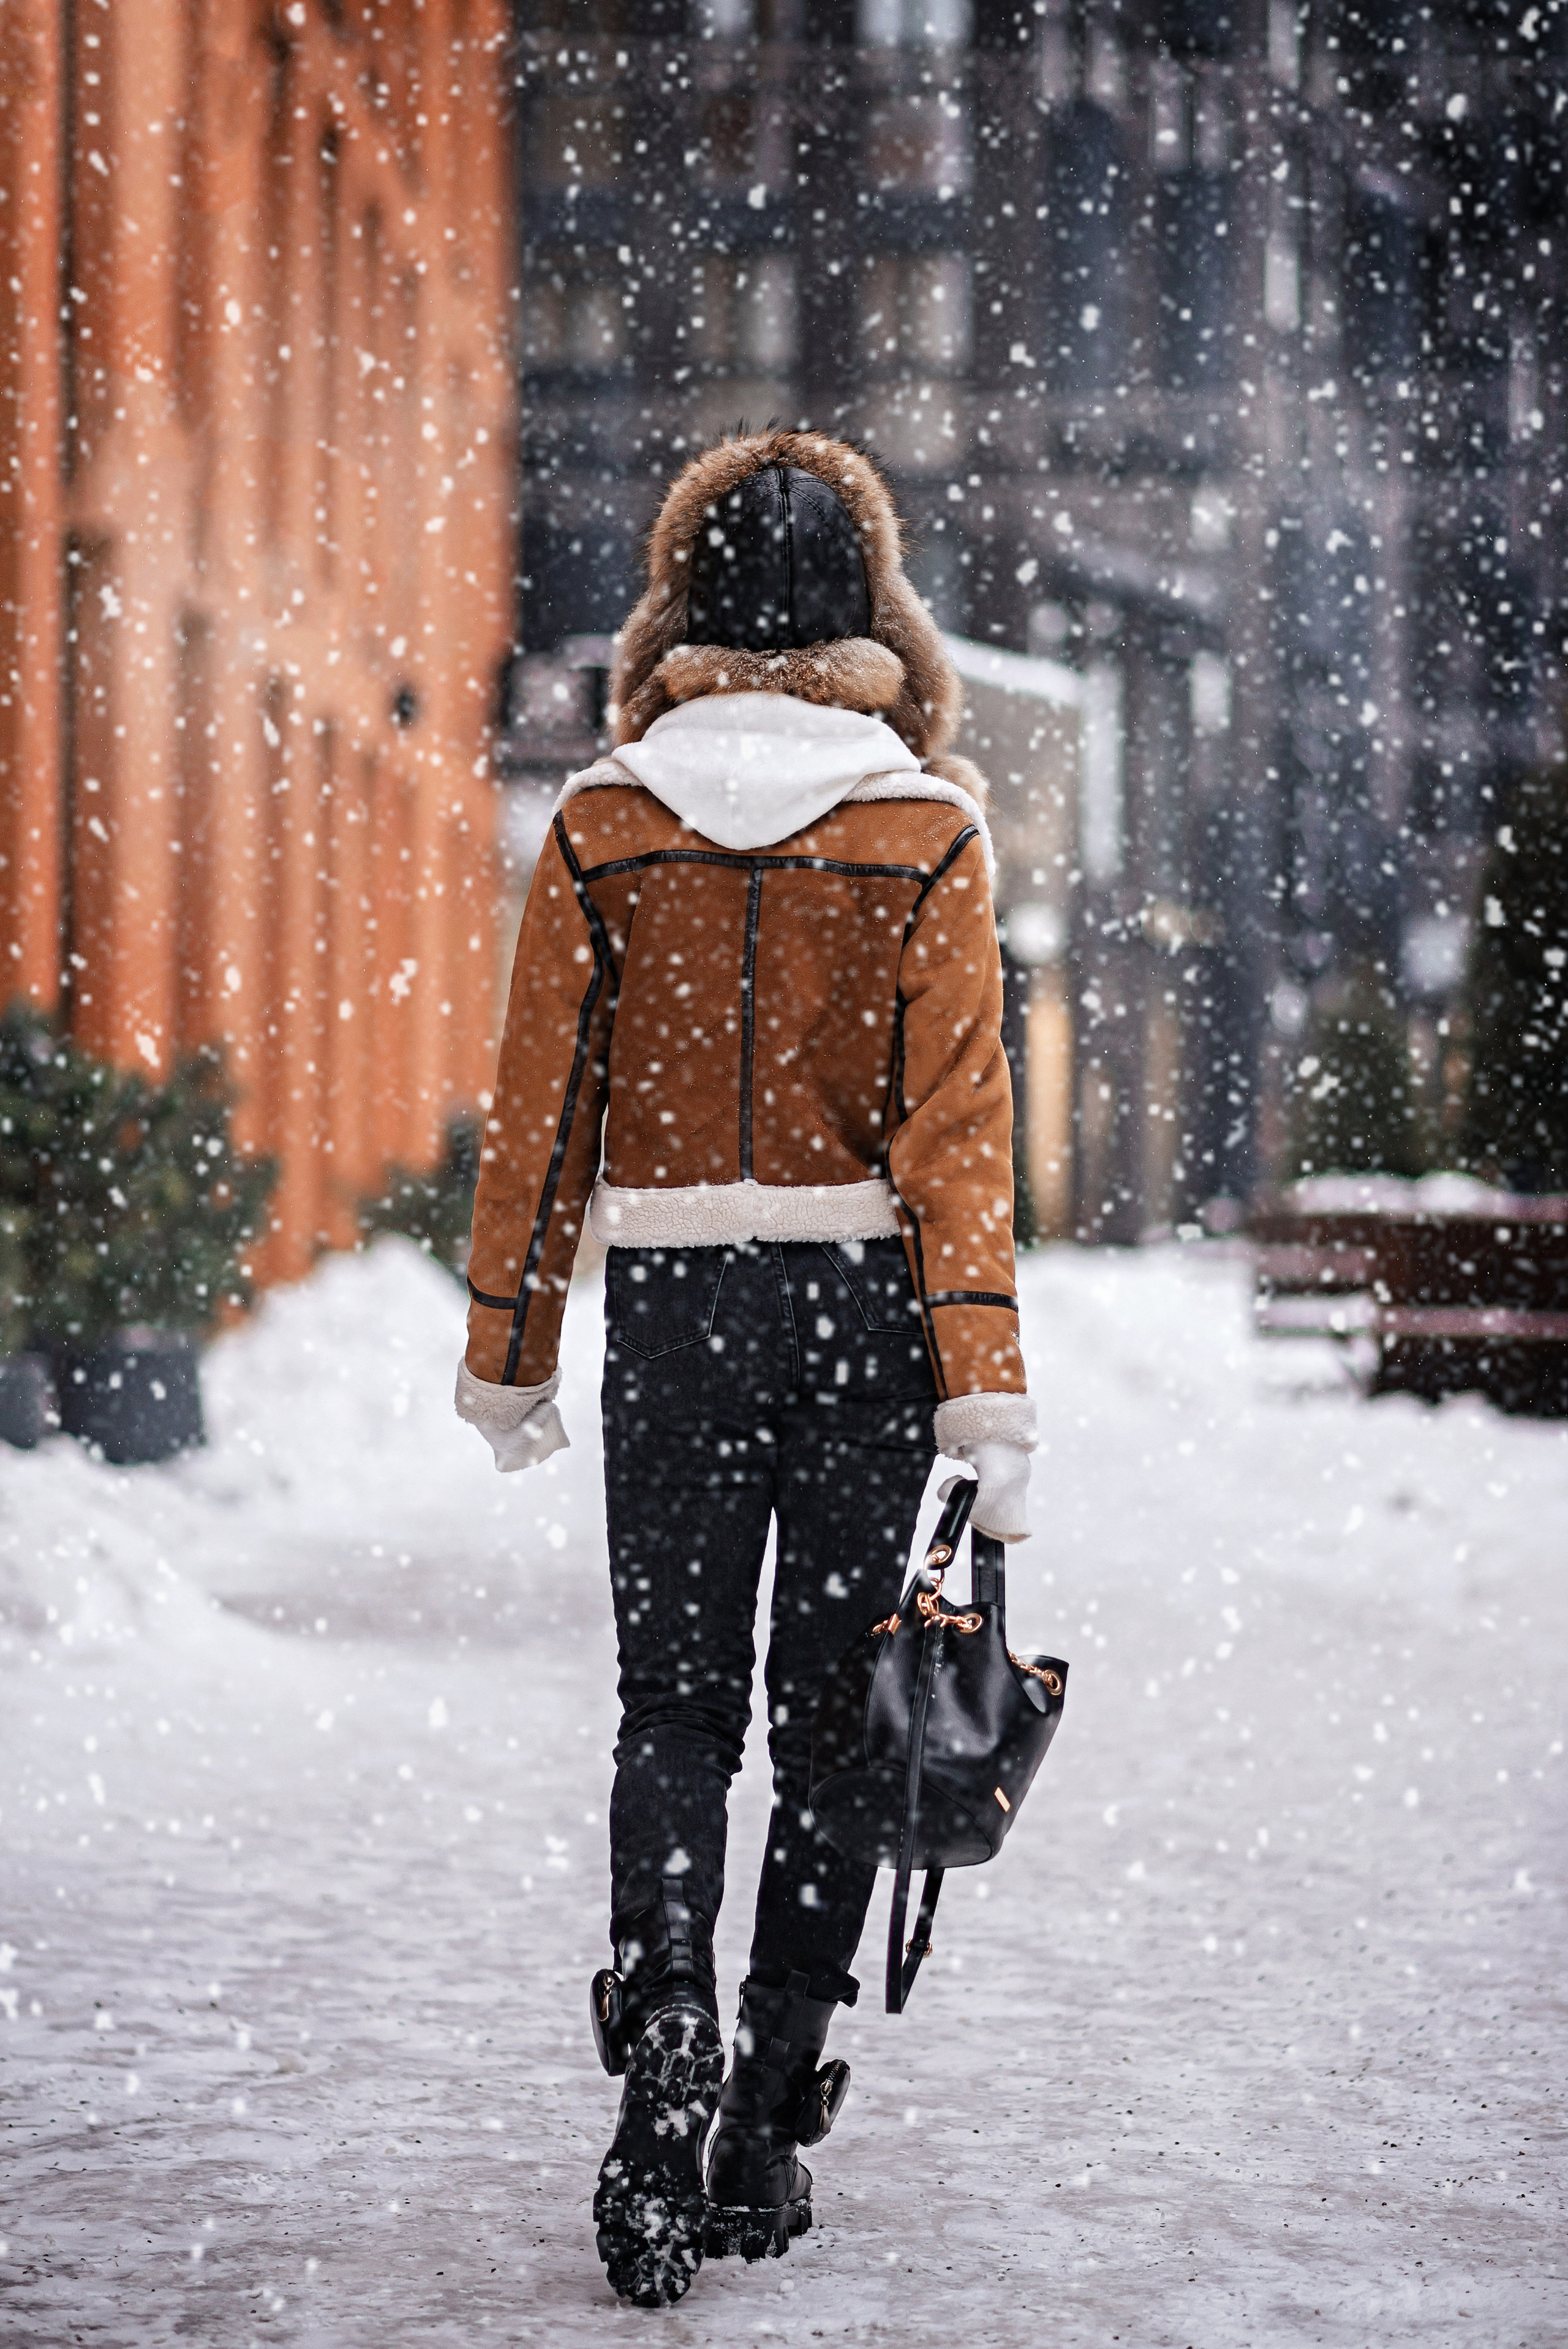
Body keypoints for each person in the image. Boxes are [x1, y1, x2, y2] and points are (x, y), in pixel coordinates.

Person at [455, 431, 1035, 2307]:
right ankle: (770, 2101)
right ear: (874, 616)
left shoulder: (604, 828)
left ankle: (669, 2001)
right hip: (869, 1316)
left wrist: (511, 1346)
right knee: (835, 1729)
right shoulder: (927, 830)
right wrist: (983, 1386)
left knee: (676, 1708)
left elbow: (539, 1117)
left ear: (676, 611)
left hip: (685, 1317)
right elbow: (959, 1142)